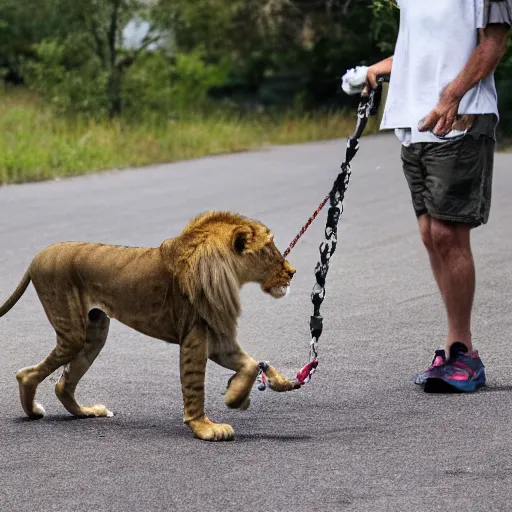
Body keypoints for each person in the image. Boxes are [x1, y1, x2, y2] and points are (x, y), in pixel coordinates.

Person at [366, 1, 510, 392]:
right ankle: (453, 348)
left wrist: (452, 95)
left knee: (448, 234)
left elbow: (494, 42)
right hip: (415, 122)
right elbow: (422, 46)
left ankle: (464, 351)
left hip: (460, 118)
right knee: (431, 234)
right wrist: (380, 69)